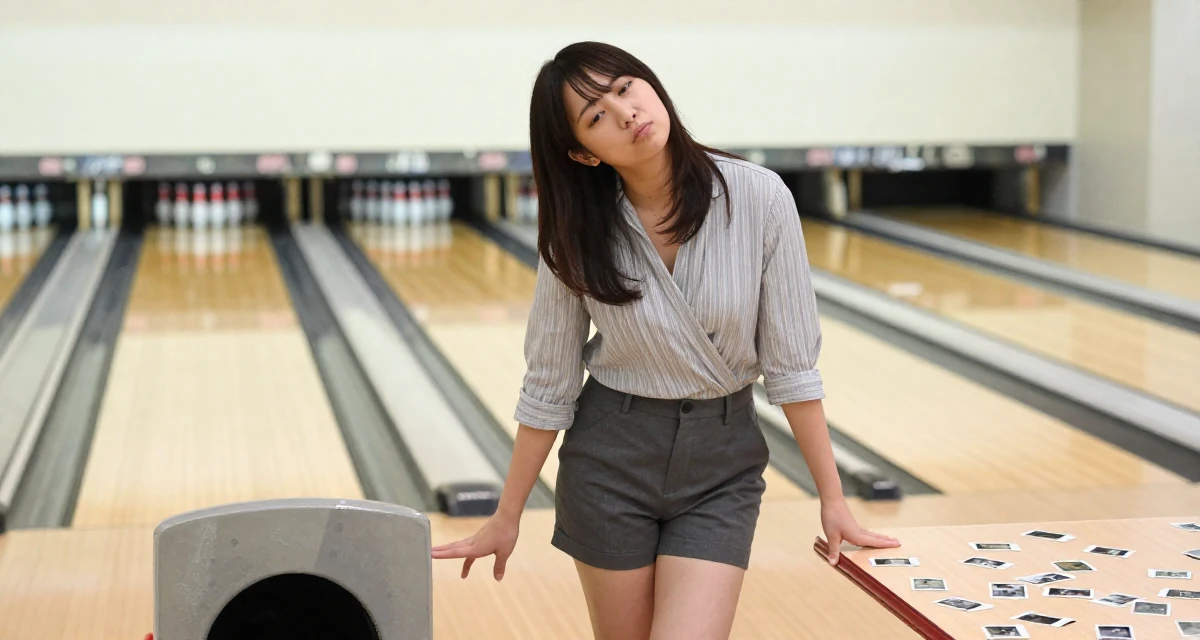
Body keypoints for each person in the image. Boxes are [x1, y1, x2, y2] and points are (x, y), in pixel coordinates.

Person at [432, 41, 900, 639]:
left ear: (649, 84)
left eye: (625, 88)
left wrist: (833, 498)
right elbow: (549, 382)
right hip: (609, 461)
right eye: (596, 115)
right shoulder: (575, 231)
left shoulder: (760, 197)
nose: (625, 112)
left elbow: (792, 368)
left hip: (721, 466)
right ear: (583, 152)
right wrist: (507, 514)